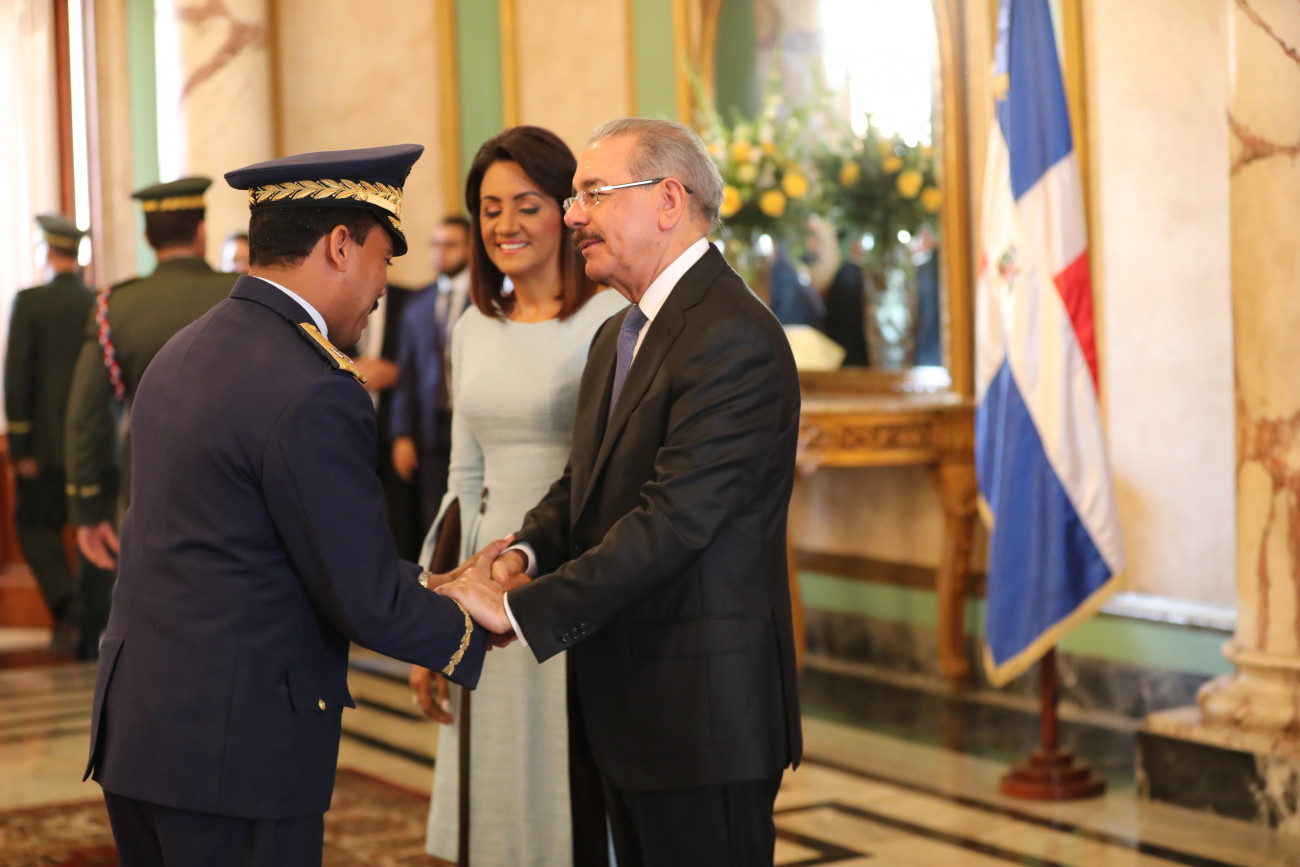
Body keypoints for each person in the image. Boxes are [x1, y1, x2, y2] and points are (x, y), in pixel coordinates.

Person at [84, 144, 499, 867]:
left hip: (142, 735)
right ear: (340, 246)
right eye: (383, 258)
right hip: (236, 754)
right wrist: (486, 619)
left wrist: (434, 583)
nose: (382, 287)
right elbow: (363, 596)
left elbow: (273, 546)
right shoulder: (314, 385)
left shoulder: (184, 351)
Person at [439, 117, 803, 866]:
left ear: (669, 200)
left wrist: (520, 610)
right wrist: (523, 553)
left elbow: (673, 523)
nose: (574, 215)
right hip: (623, 705)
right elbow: (584, 482)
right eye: (575, 197)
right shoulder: (621, 333)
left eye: (594, 194)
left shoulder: (732, 336)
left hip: (701, 716)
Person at [409, 126, 626, 867]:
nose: (506, 224)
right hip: (487, 573)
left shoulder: (610, 320)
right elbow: (461, 482)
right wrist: (433, 619)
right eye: (491, 208)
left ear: (567, 209)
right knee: (496, 784)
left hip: (572, 570)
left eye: (527, 205)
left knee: (570, 789)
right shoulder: (473, 326)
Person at [64, 177, 236, 571]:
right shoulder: (242, 293)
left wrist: (87, 508)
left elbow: (86, 417)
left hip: (148, 484)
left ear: (147, 237)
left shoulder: (114, 305)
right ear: (201, 231)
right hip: (237, 481)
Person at [3, 214, 107, 657]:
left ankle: (67, 603)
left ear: (46, 251)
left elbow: (17, 377)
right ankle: (90, 628)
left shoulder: (31, 302)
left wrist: (20, 445)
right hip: (93, 447)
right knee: (94, 530)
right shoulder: (98, 300)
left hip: (43, 450)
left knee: (33, 525)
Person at [389, 215, 473, 529]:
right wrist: (402, 434)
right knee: (435, 514)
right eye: (435, 244)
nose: (440, 252)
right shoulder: (417, 303)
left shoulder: (486, 298)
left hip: (470, 419)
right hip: (430, 427)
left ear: (470, 248)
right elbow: (406, 374)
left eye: (450, 245)